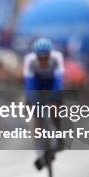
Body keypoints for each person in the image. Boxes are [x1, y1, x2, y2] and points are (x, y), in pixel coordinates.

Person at [23, 37, 65, 170]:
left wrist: (55, 97)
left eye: (45, 56)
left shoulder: (57, 57)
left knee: (55, 109)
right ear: (35, 55)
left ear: (50, 54)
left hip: (52, 82)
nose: (43, 60)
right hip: (37, 83)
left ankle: (59, 138)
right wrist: (31, 101)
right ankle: (40, 153)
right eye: (40, 57)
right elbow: (29, 83)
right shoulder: (29, 60)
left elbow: (59, 80)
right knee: (36, 117)